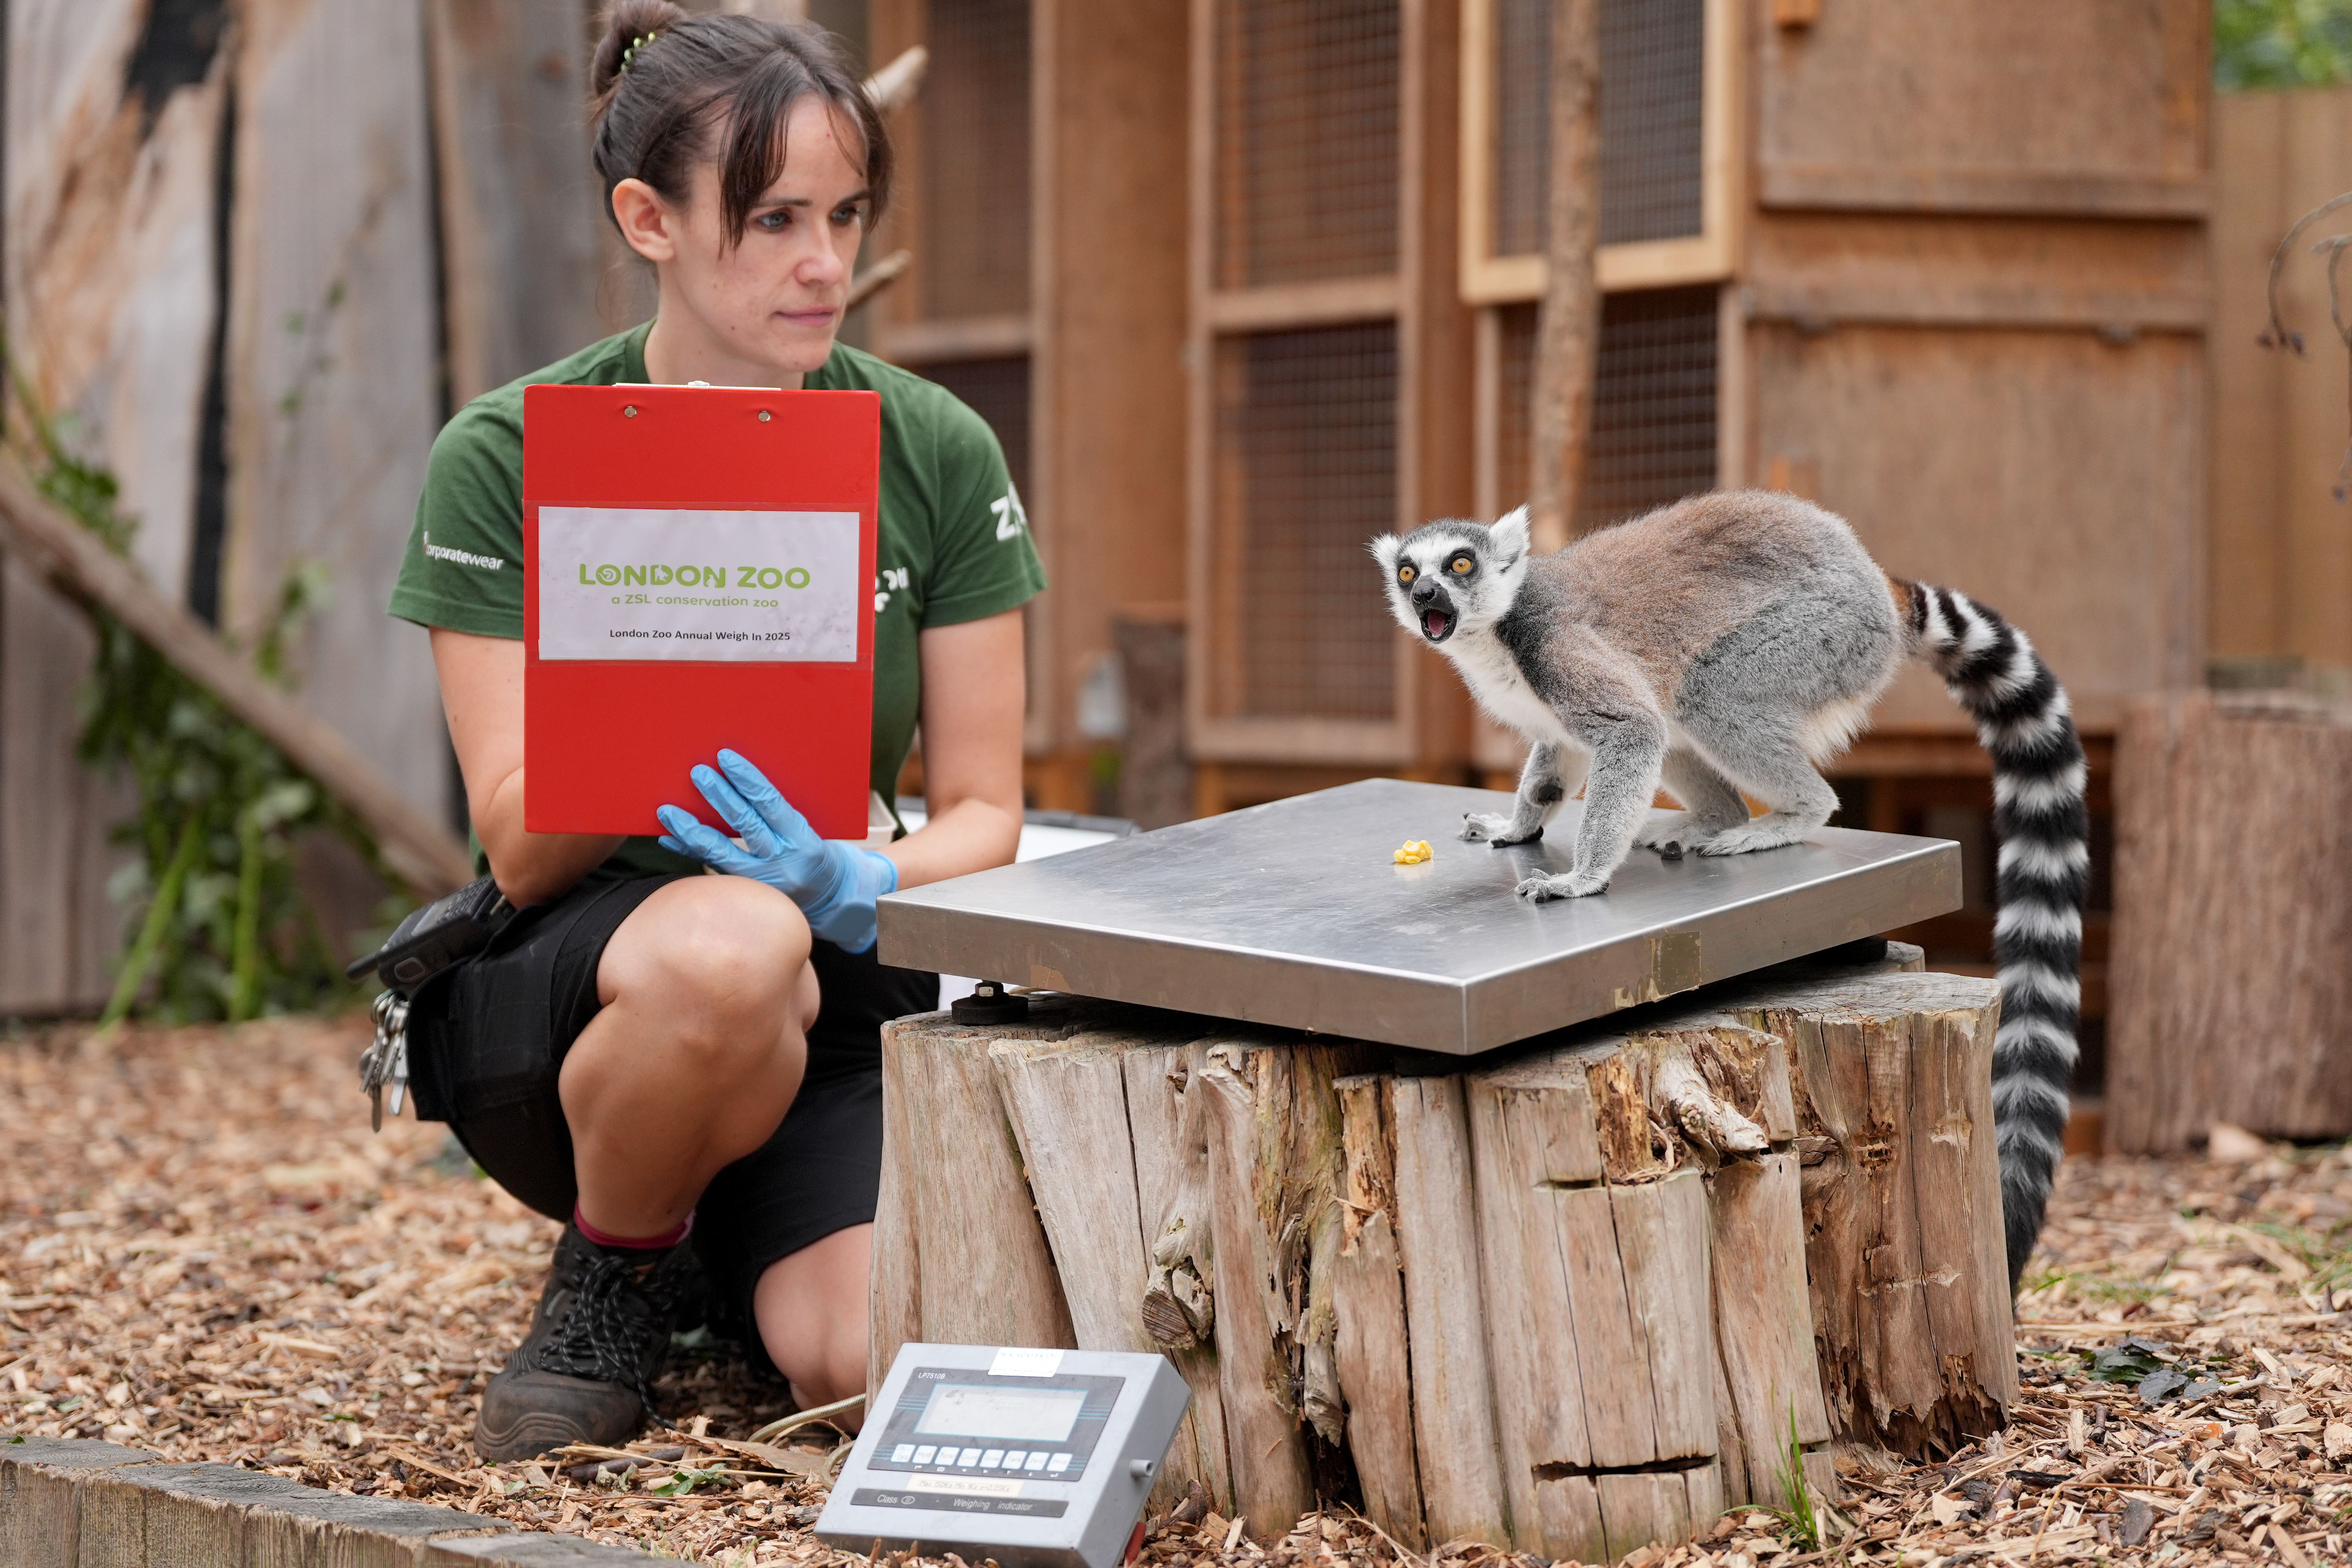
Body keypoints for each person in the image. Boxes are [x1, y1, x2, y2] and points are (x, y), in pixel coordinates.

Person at [386, 0, 1041, 1461]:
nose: (827, 264)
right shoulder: (511, 452)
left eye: (847, 216)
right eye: (774, 220)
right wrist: (658, 660)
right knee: (731, 944)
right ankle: (612, 1278)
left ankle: (715, 1228)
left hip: (843, 988)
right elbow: (519, 843)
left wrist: (863, 881)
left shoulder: (931, 447)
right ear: (649, 218)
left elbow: (987, 815)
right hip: (587, 996)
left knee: (861, 1376)